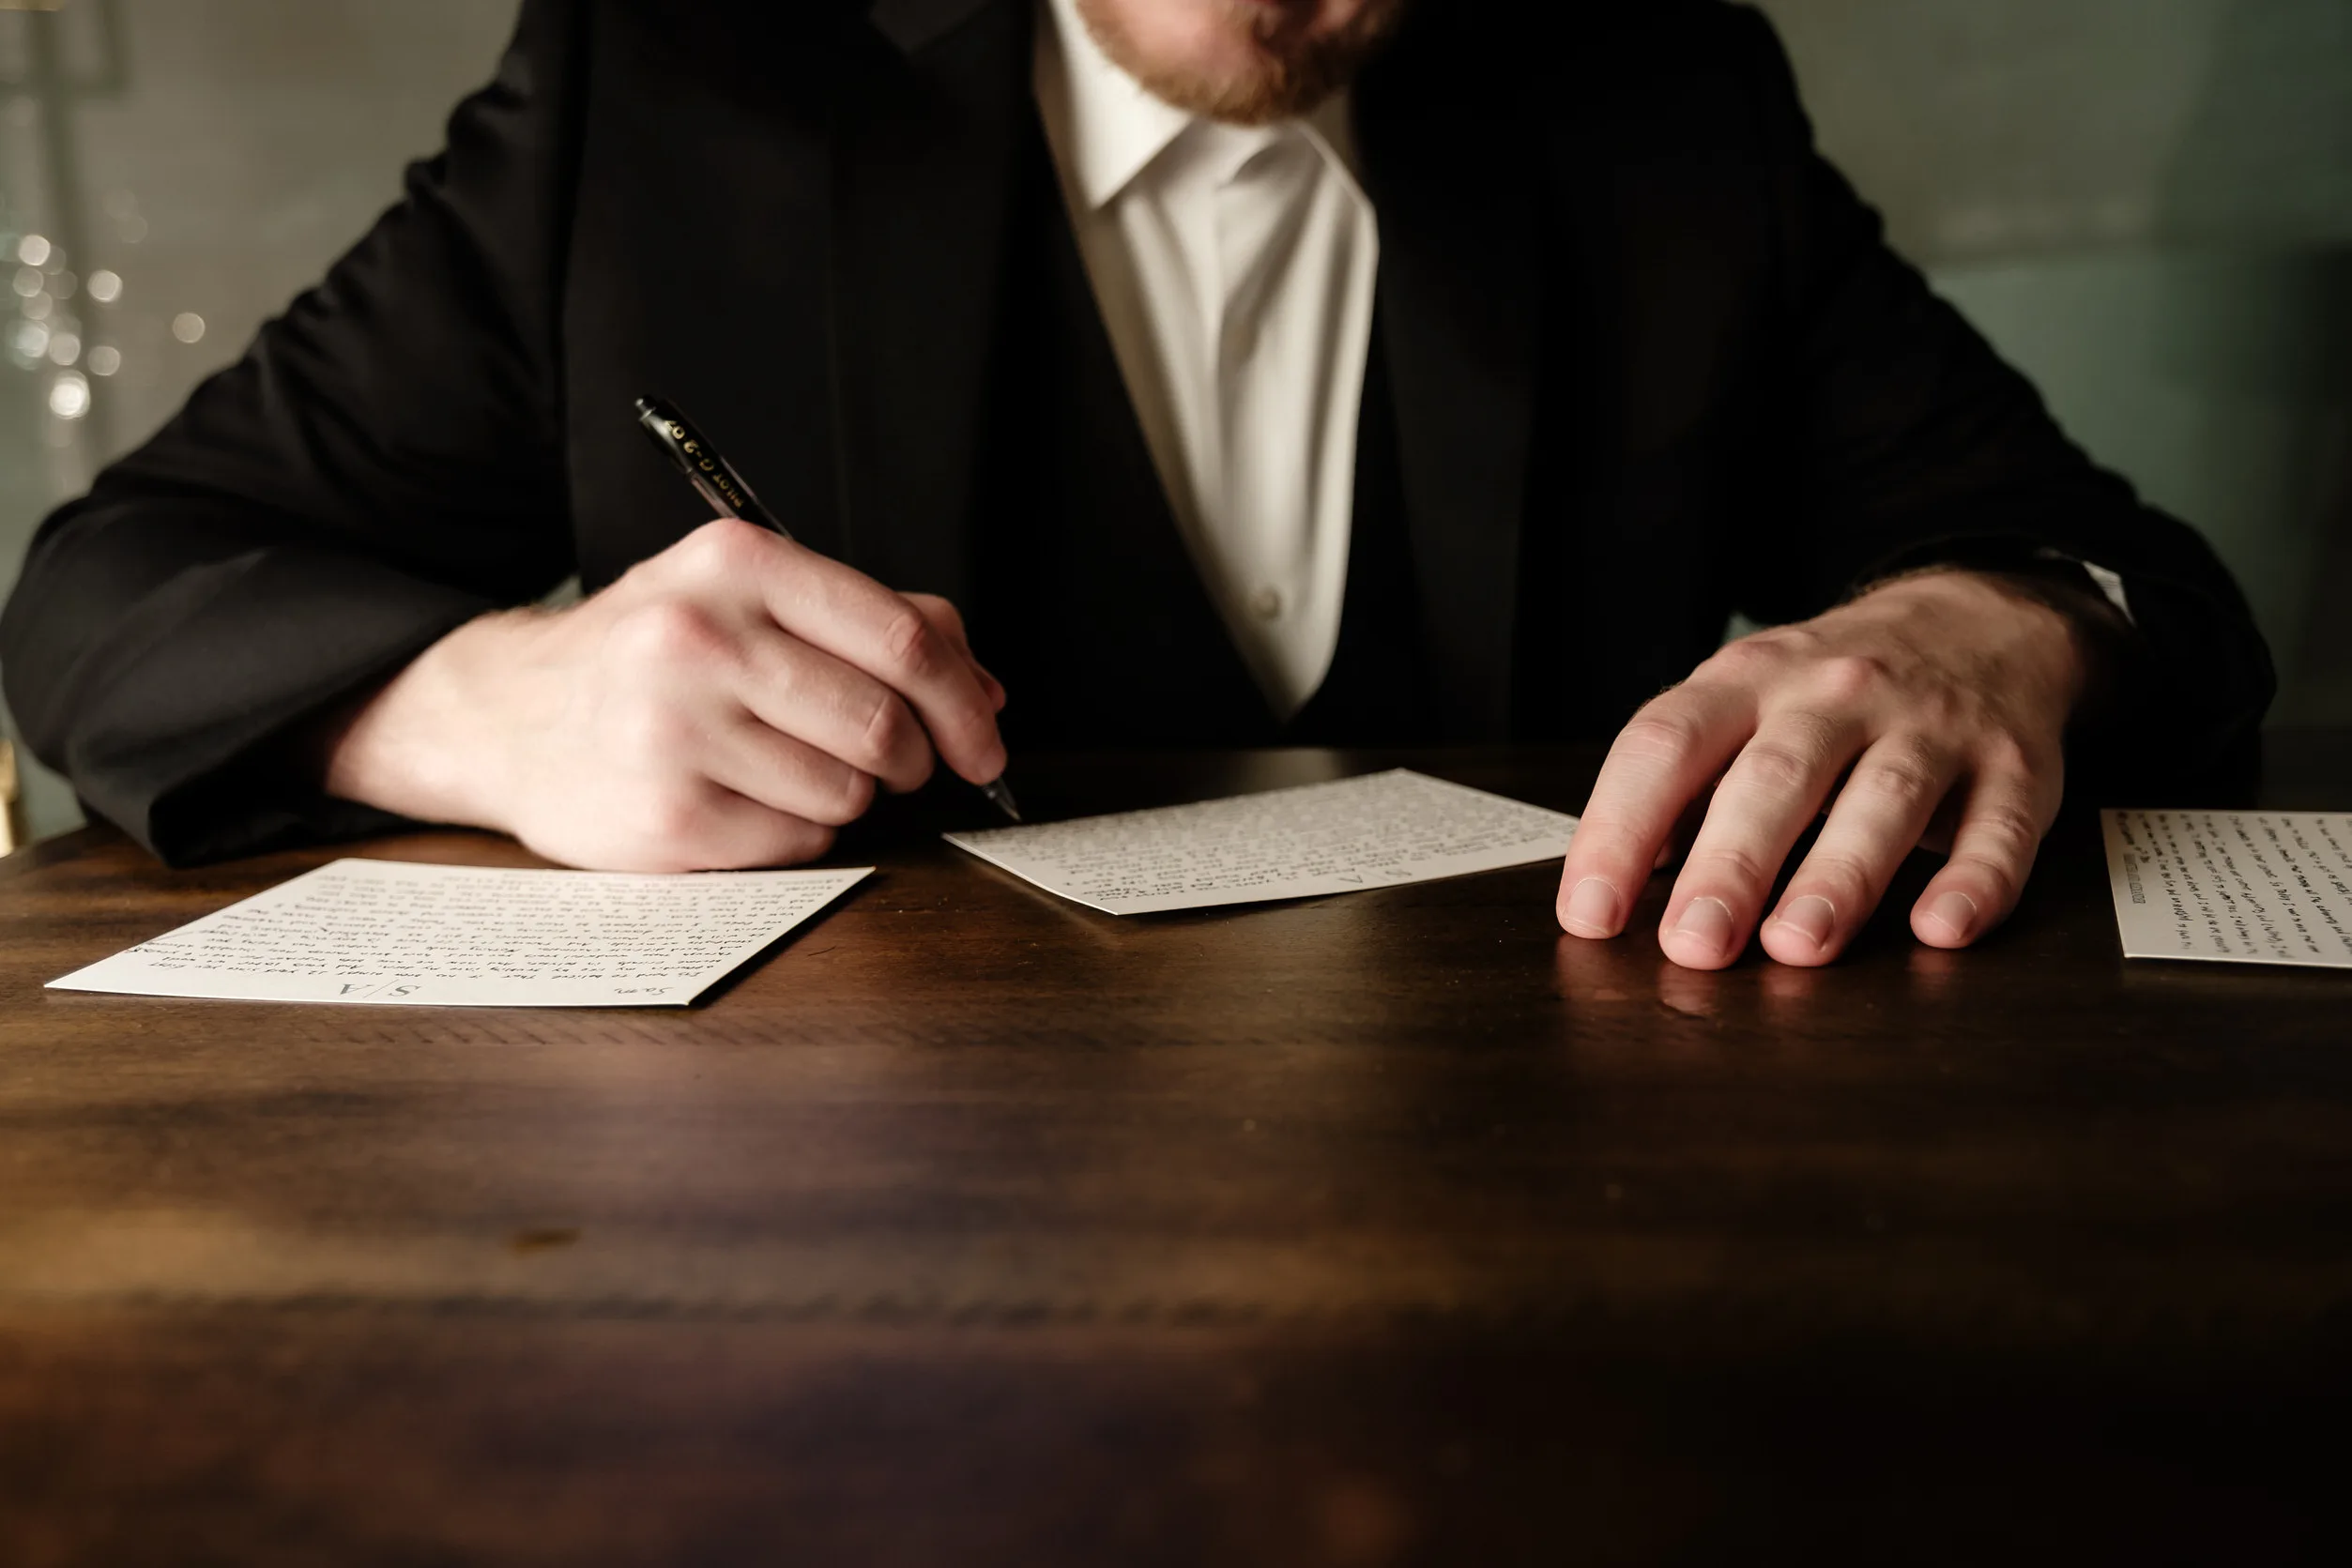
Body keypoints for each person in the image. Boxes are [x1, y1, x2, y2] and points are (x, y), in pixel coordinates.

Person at [0, 0, 2273, 970]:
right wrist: (485, 706)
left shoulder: (1655, 85)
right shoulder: (671, 74)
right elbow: (106, 593)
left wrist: (2000, 628)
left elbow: (2126, 572)